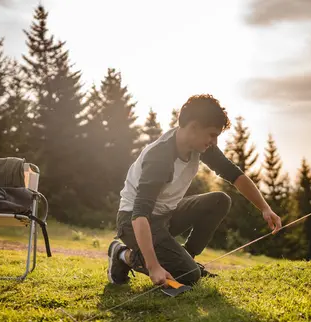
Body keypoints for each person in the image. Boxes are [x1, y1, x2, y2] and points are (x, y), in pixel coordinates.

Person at [107, 94, 282, 287]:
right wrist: (153, 266)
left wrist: (265, 208)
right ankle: (122, 254)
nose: (214, 142)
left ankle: (186, 258)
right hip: (134, 221)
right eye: (212, 135)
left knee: (219, 201)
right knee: (189, 276)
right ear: (193, 128)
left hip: (165, 215)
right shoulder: (160, 158)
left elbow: (235, 175)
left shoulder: (200, 147)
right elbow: (140, 213)